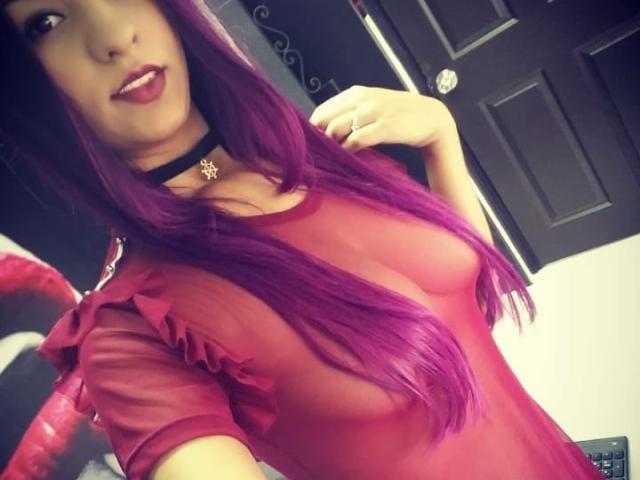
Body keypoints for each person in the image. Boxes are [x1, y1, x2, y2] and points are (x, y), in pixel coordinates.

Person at [0, 1, 602, 479]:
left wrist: (442, 138)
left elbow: (471, 313)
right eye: (47, 22)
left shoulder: (316, 155)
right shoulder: (131, 330)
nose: (114, 35)